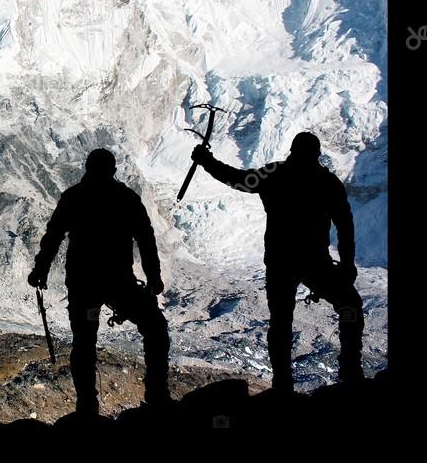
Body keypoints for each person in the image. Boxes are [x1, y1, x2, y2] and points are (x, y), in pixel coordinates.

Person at [190, 131, 364, 392]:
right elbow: (345, 226)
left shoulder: (275, 174)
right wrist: (348, 264)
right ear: (317, 154)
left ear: (292, 151)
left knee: (281, 321)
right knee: (349, 306)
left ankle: (282, 381)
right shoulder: (328, 182)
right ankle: (350, 368)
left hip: (281, 262)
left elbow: (238, 180)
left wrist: (206, 161)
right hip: (316, 262)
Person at [28, 148, 170, 415]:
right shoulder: (126, 198)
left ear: (87, 168)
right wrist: (153, 277)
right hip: (119, 284)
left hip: (84, 285)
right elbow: (146, 239)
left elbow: (53, 236)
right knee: (155, 328)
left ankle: (87, 406)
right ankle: (157, 394)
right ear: (113, 170)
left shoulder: (73, 198)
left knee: (84, 341)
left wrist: (41, 269)